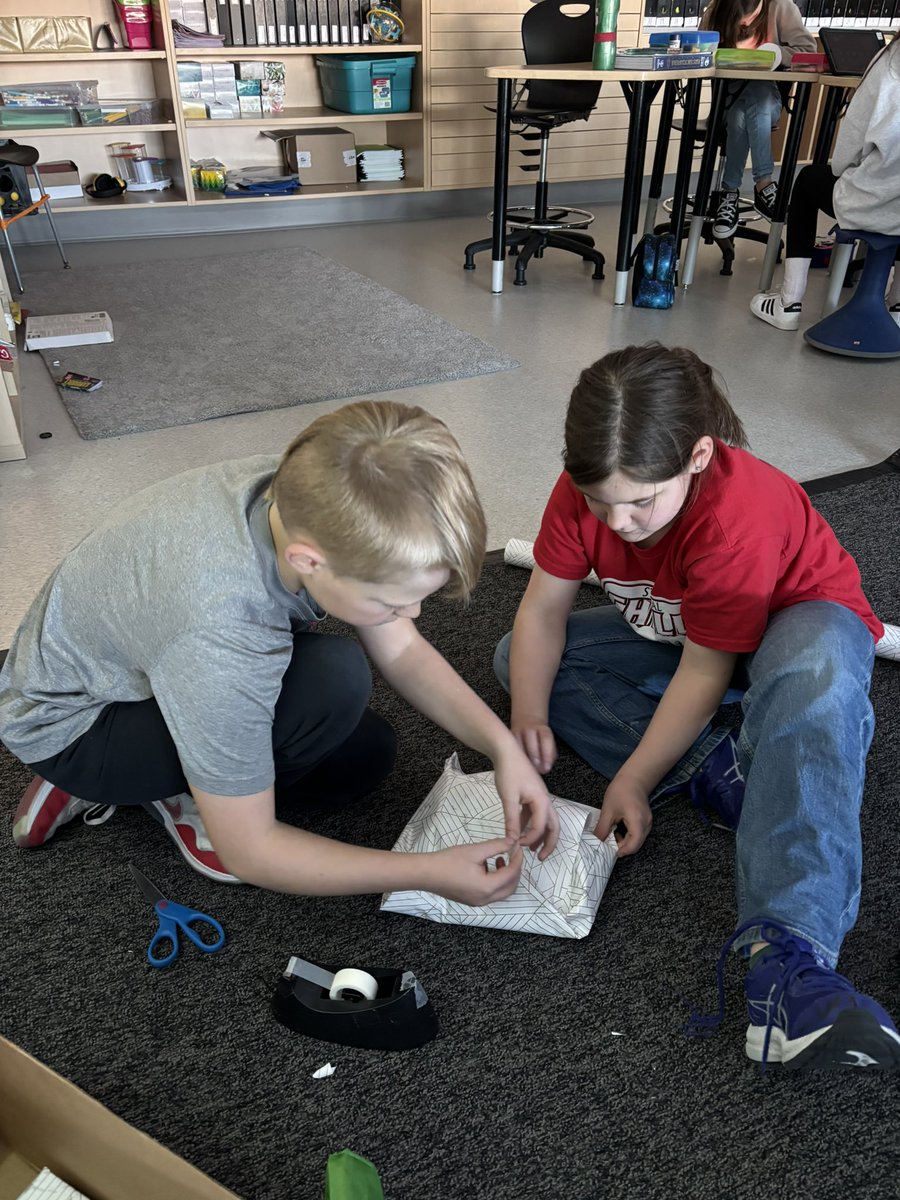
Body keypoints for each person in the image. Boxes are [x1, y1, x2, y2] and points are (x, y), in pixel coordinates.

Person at [494, 343, 900, 1071]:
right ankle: (731, 772)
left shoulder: (738, 518)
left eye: (641, 502)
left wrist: (635, 779)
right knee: (517, 664)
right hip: (689, 630)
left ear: (699, 456)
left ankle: (789, 968)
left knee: (817, 680)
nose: (618, 523)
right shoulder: (589, 492)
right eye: (598, 501)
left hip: (792, 628)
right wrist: (524, 720)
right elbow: (542, 614)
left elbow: (704, 671)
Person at [1, 399, 559, 900]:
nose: (409, 617)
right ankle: (172, 797)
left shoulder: (308, 485)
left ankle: (198, 770)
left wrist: (502, 748)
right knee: (334, 687)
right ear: (308, 561)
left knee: (363, 754)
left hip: (131, 661)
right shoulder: (221, 632)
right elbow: (253, 851)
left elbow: (403, 651)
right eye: (392, 603)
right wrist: (424, 871)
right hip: (76, 724)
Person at [751, 37, 900, 330]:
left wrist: (844, 170)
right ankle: (898, 307)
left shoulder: (889, 62)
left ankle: (788, 303)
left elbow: (848, 150)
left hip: (871, 201)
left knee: (807, 181)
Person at [701, 0, 814, 239]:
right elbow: (699, 50)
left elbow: (808, 53)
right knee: (740, 114)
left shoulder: (781, 7)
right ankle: (764, 184)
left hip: (767, 97)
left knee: (758, 96)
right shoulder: (717, 8)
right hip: (728, 101)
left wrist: (777, 54)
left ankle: (728, 194)